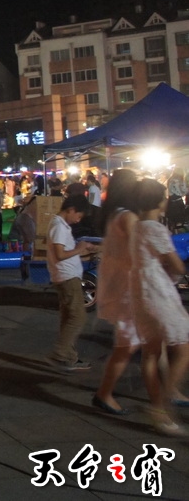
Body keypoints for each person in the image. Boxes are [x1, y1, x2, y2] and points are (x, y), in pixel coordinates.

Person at [131, 178, 189, 436]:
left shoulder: (134, 227)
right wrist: (176, 269)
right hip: (157, 291)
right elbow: (176, 265)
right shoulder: (155, 229)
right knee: (184, 349)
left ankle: (160, 407)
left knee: (152, 352)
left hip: (139, 291)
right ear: (159, 201)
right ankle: (162, 405)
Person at [93, 169, 142, 415]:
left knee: (150, 342)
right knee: (128, 344)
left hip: (118, 284)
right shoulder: (128, 217)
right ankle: (105, 393)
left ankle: (168, 392)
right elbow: (138, 252)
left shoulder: (112, 214)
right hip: (129, 287)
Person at [45, 195, 94, 372]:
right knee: (78, 317)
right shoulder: (59, 226)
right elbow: (60, 254)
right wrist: (79, 249)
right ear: (71, 209)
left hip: (67, 276)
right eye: (78, 216)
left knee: (69, 317)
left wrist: (84, 250)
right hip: (67, 278)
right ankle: (60, 353)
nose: (78, 220)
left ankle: (69, 357)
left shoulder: (60, 225)